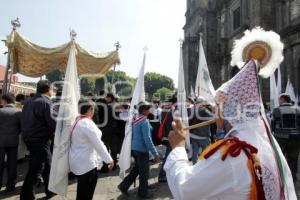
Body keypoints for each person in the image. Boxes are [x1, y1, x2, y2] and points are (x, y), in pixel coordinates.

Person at [164, 60, 296, 200]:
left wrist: (178, 148)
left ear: (227, 110)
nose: (214, 110)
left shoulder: (233, 153)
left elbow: (184, 190)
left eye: (217, 105)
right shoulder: (264, 141)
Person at [69, 99, 114, 200]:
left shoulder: (78, 120)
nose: (94, 111)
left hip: (79, 160)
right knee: (87, 191)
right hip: (86, 163)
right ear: (90, 109)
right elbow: (98, 144)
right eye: (93, 109)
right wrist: (109, 159)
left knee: (82, 189)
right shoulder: (87, 123)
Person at [20, 80, 56, 200]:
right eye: (52, 89)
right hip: (41, 140)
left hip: (31, 138)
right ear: (48, 89)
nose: (53, 91)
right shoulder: (46, 102)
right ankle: (27, 196)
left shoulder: (29, 101)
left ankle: (50, 190)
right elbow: (52, 122)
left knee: (47, 165)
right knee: (37, 168)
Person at [118, 101, 160, 199]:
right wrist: (155, 153)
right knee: (144, 173)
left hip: (135, 149)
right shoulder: (144, 121)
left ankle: (124, 185)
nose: (149, 111)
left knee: (137, 169)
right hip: (141, 150)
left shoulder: (135, 120)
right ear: (144, 110)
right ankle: (143, 192)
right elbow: (147, 139)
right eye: (148, 109)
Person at [271, 93, 300, 181]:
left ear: (283, 99)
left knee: (280, 157)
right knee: (294, 158)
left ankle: (281, 177)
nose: (278, 101)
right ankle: (292, 176)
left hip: (280, 137)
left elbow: (273, 123)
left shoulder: (276, 110)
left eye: (279, 99)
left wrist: (273, 132)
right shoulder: (297, 109)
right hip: (295, 137)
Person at [0, 93, 21, 192]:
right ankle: (10, 185)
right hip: (13, 141)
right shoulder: (18, 112)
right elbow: (21, 128)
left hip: (0, 141)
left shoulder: (0, 111)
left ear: (4, 100)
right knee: (12, 164)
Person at [189, 96, 214, 164]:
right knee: (207, 152)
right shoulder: (204, 110)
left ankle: (195, 165)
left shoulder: (191, 109)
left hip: (192, 134)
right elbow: (213, 118)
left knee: (195, 152)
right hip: (203, 135)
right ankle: (203, 165)